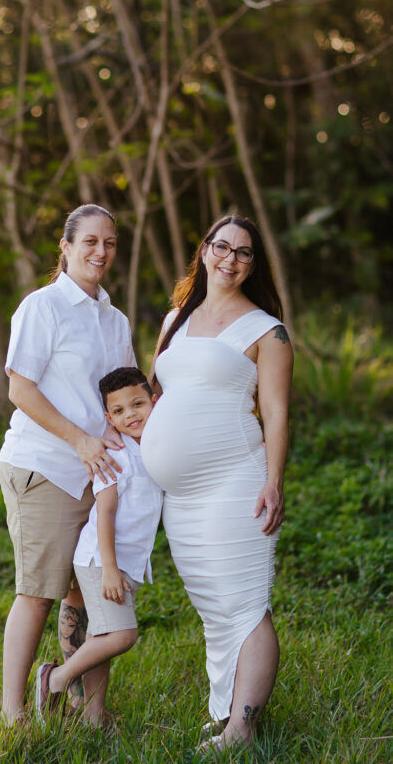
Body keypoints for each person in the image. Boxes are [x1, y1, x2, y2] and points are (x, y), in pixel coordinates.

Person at [140, 215, 293, 753]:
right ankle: (228, 711)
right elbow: (155, 395)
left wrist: (274, 481)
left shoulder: (265, 329)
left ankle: (243, 731)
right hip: (181, 496)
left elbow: (275, 413)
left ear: (254, 264)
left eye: (244, 252)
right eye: (221, 247)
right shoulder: (175, 320)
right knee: (213, 603)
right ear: (204, 251)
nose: (230, 259)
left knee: (245, 602)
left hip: (235, 480)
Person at [0, 204, 137, 726]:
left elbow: (121, 394)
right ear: (66, 246)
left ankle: (86, 708)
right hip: (46, 467)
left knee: (87, 592)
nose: (101, 252)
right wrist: (80, 438)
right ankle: (15, 714)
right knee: (38, 593)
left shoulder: (114, 318)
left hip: (97, 476)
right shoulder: (43, 307)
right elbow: (20, 388)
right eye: (90, 242)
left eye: (110, 243)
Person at [34, 367, 163, 728]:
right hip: (101, 561)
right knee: (122, 636)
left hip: (125, 563)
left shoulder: (150, 451)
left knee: (100, 638)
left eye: (137, 404)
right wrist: (109, 568)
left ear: (155, 402)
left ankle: (92, 716)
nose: (130, 415)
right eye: (119, 412)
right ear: (109, 419)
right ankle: (54, 680)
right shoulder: (115, 456)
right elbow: (104, 514)